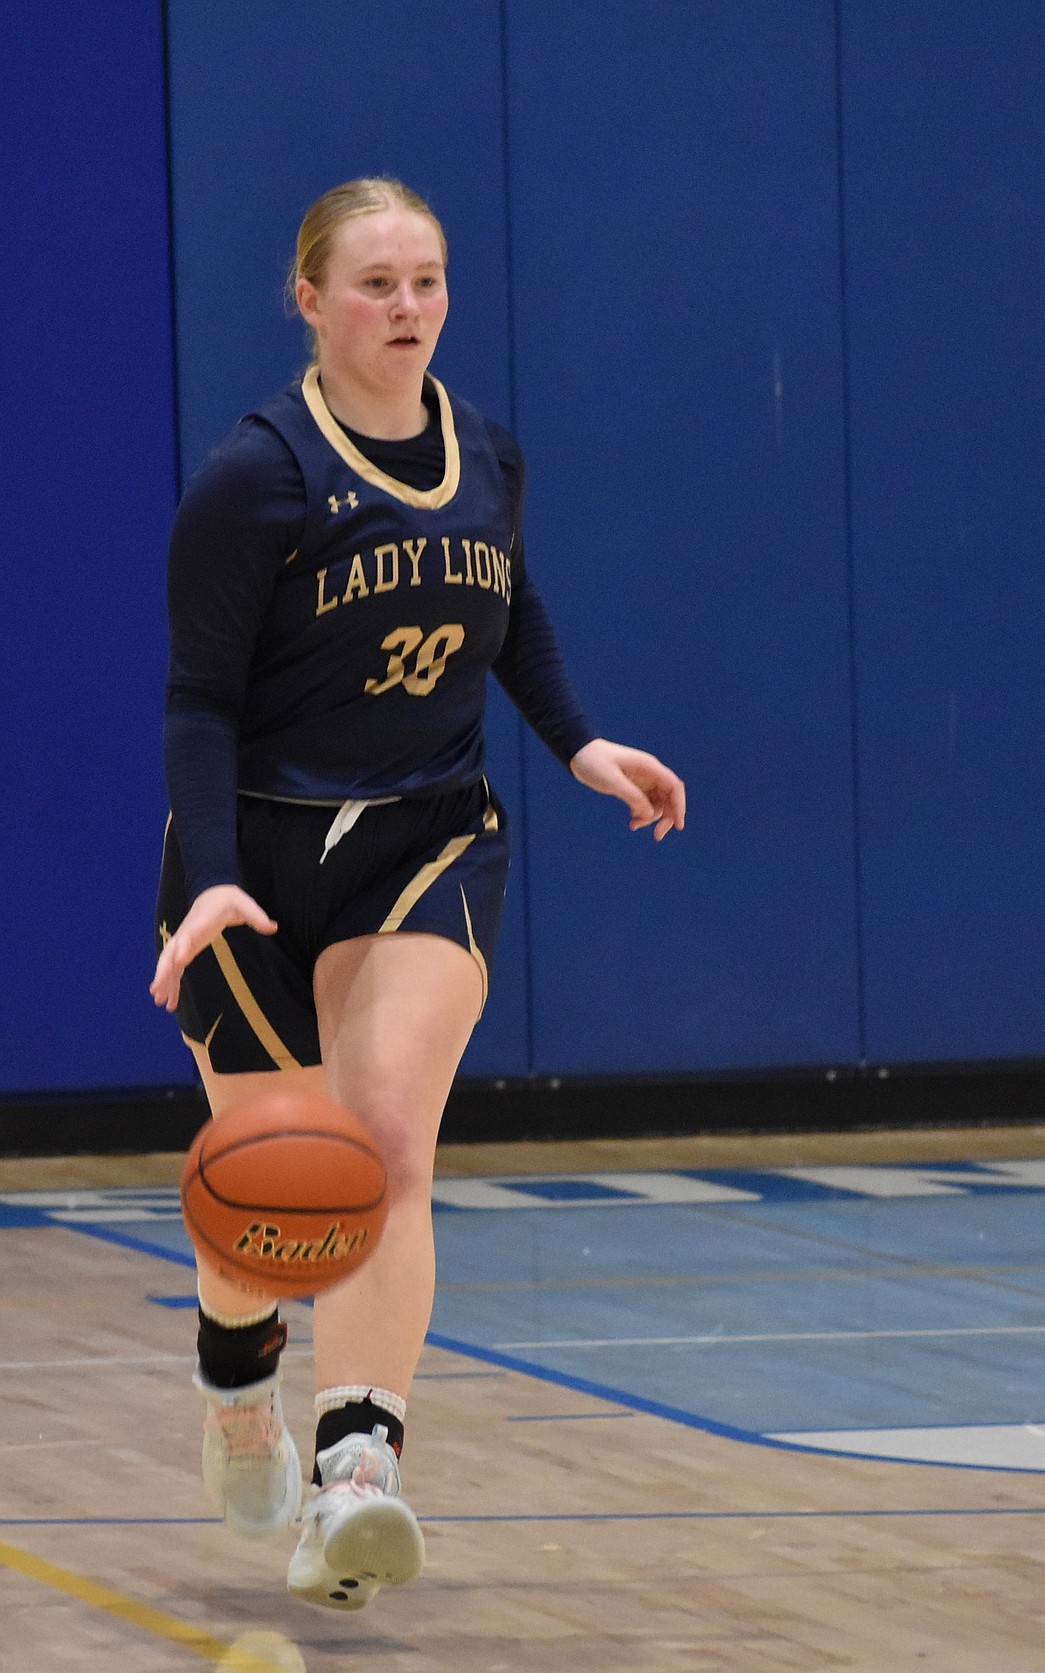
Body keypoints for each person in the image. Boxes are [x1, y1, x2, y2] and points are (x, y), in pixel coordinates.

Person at [150, 177, 685, 1610]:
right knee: (270, 1202)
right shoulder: (253, 479)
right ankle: (232, 1377)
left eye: (426, 281)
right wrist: (204, 883)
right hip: (251, 866)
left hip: (427, 837)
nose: (405, 309)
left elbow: (515, 607)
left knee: (384, 1143)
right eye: (375, 284)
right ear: (309, 300)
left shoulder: (486, 454)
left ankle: (356, 1476)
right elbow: (199, 702)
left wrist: (578, 740)